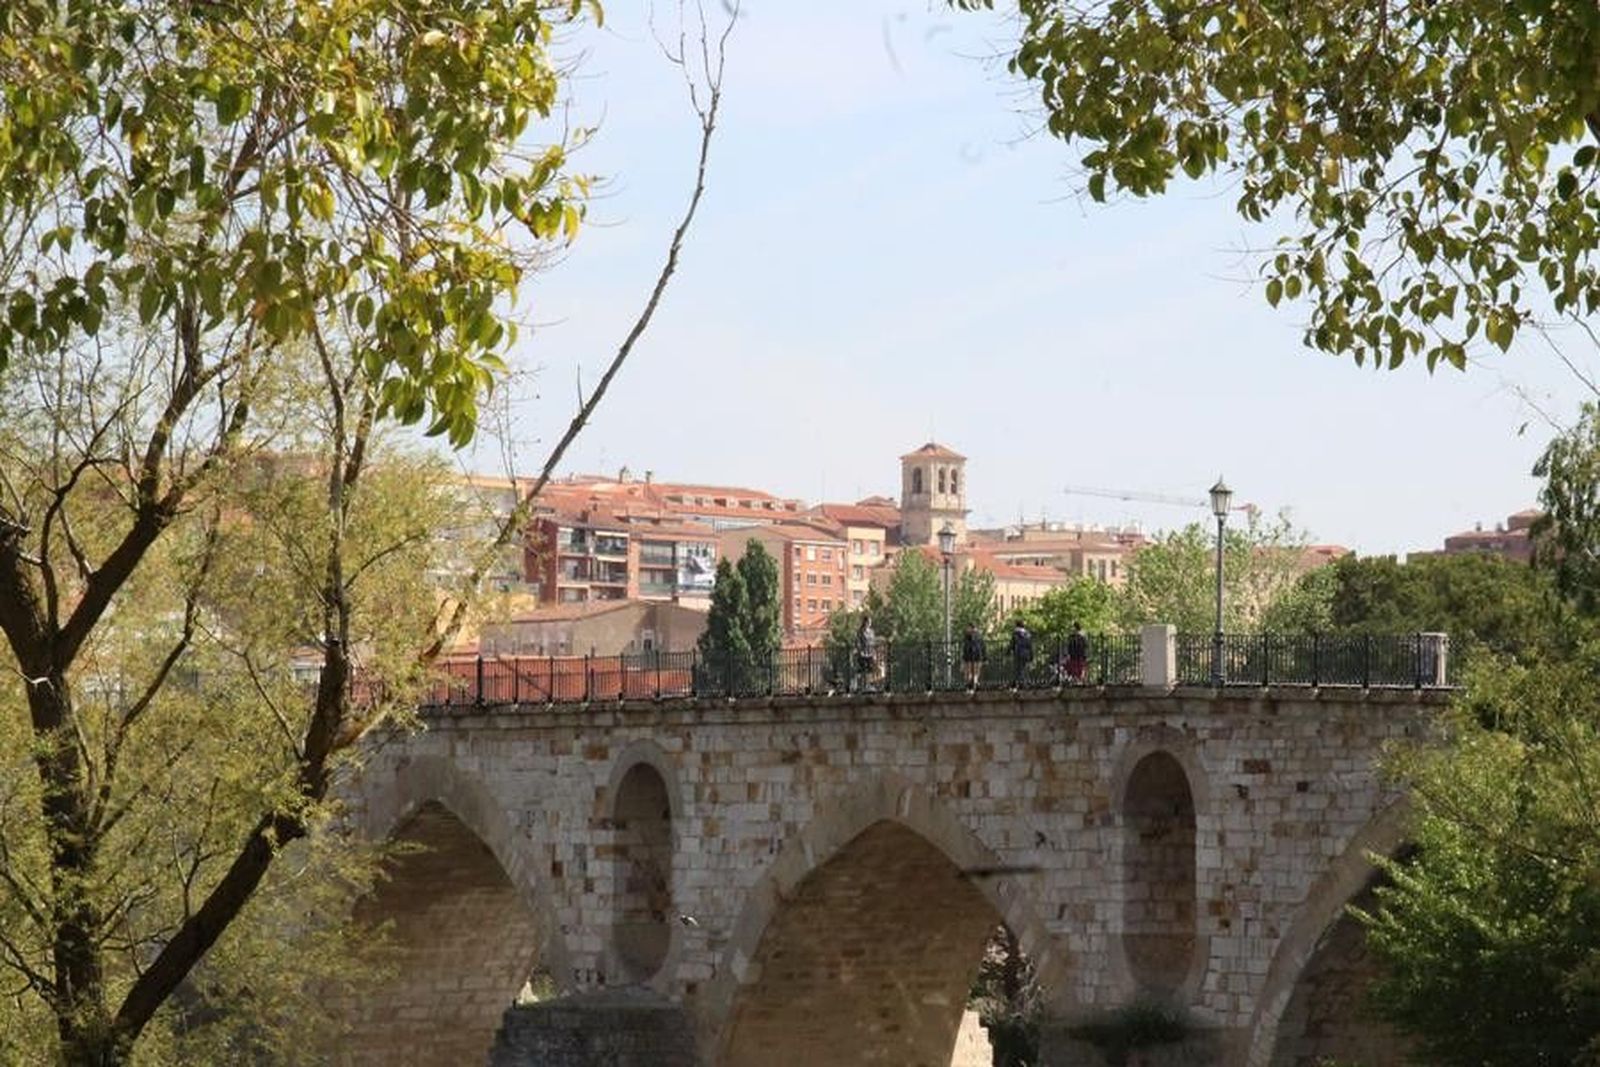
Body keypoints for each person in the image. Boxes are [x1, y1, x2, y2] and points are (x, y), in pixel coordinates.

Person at [855, 614, 878, 692]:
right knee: (863, 669)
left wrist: (874, 653)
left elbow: (873, 642)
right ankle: (862, 686)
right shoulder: (860, 632)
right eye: (868, 621)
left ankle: (869, 685)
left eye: (870, 622)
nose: (870, 623)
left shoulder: (871, 632)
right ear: (865, 622)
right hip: (863, 653)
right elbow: (858, 642)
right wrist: (860, 651)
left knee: (870, 670)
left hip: (870, 652)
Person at [1008, 617, 1033, 687]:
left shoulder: (1015, 633)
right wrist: (1031, 655)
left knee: (1018, 669)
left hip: (1018, 653)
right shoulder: (1027, 634)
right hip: (1026, 653)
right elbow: (1030, 645)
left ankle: (1020, 683)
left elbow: (1012, 643)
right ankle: (1025, 682)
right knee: (1024, 668)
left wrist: (1008, 651)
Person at [961, 623, 986, 689]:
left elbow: (981, 646)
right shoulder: (976, 636)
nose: (967, 629)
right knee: (972, 672)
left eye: (968, 628)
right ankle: (973, 684)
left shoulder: (973, 636)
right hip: (973, 656)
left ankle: (972, 684)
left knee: (973, 671)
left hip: (973, 655)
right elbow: (982, 646)